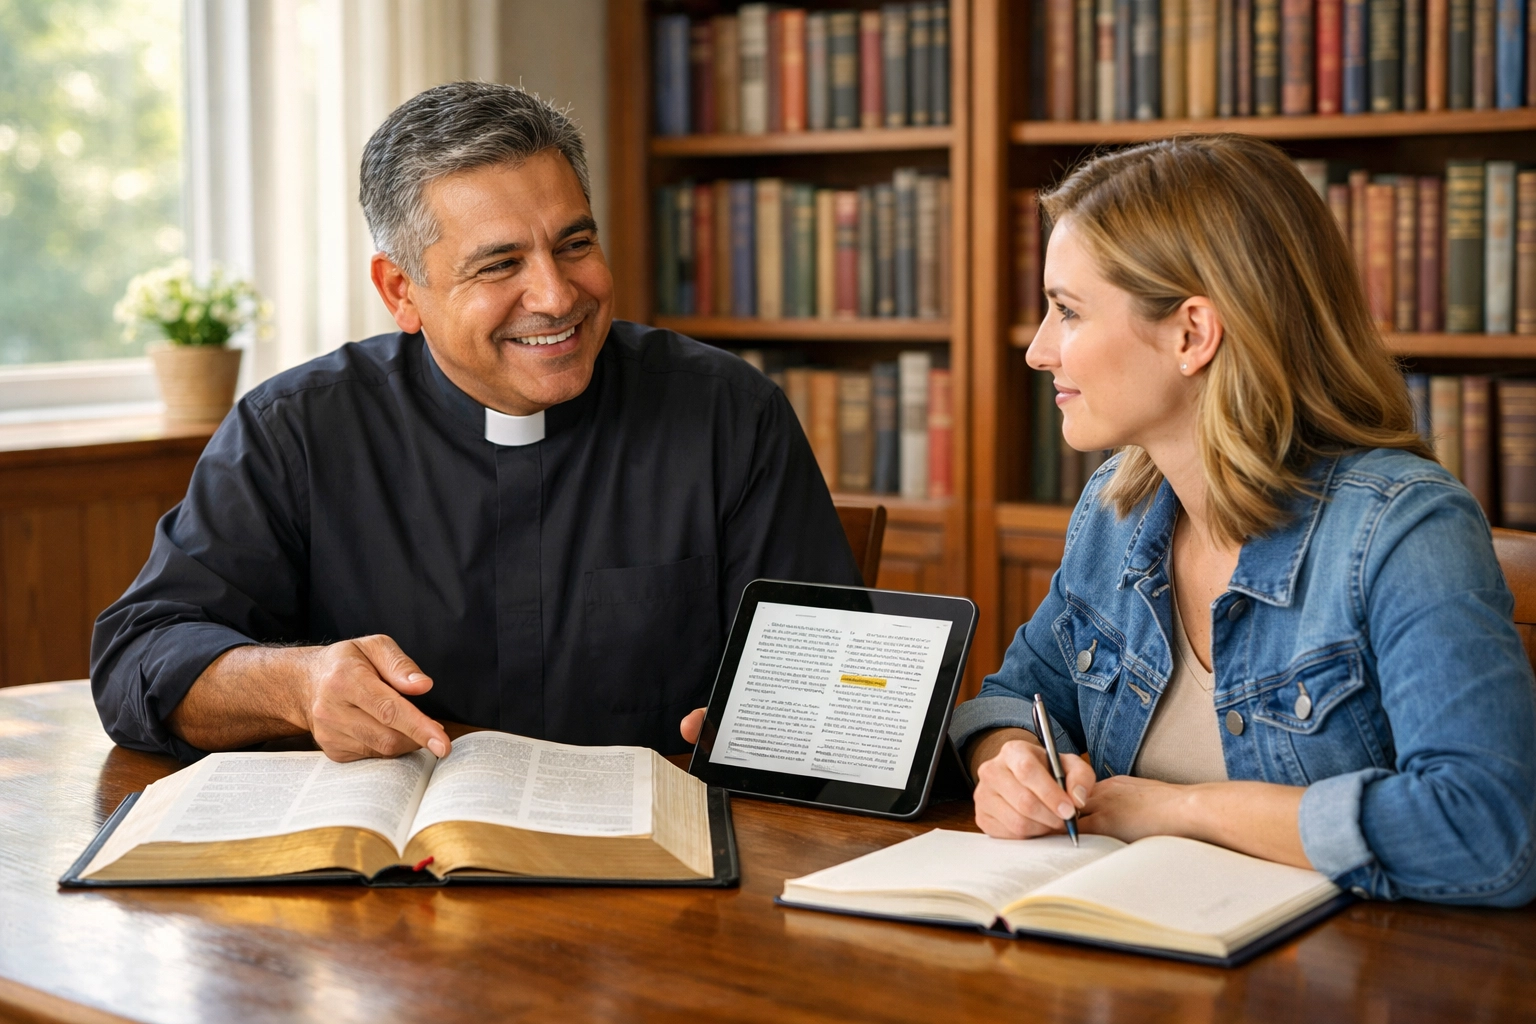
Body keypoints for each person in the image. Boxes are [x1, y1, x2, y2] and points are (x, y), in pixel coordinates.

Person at [91, 82, 860, 764]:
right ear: (400, 291)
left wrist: (785, 729)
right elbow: (138, 657)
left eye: (575, 244)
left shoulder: (727, 412)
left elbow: (838, 689)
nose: (557, 296)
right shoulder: (295, 429)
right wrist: (297, 683)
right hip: (389, 893)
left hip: (666, 879)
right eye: (499, 265)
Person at [951, 135, 1536, 906]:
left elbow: (1487, 834)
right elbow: (1011, 699)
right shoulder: (1114, 509)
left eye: (1067, 310)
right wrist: (1011, 759)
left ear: (1192, 333)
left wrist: (1177, 810)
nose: (1036, 351)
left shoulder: (1404, 530)